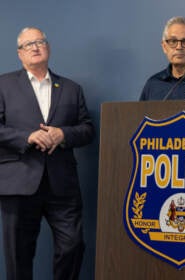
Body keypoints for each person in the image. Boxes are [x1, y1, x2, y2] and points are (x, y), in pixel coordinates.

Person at [0, 27, 95, 280]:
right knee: (18, 255)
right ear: (20, 53)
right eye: (28, 44)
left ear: (48, 47)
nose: (35, 46)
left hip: (62, 185)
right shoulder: (3, 84)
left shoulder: (71, 88)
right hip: (18, 183)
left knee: (72, 246)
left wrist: (63, 135)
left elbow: (87, 129)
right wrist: (27, 137)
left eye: (40, 41)